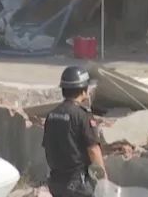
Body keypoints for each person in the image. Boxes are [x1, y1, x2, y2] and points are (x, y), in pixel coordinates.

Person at [42, 66, 107, 197]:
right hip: (77, 184)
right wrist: (104, 181)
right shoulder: (82, 116)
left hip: (56, 182)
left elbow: (47, 147)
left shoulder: (52, 115)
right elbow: (93, 151)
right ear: (83, 90)